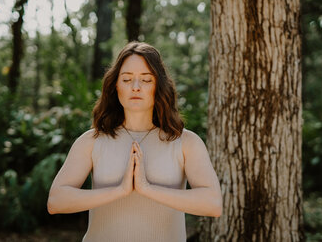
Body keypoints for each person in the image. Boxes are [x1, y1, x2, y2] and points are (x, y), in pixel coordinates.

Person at [47, 41, 222, 242]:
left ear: (159, 85)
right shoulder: (91, 140)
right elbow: (56, 201)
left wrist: (146, 188)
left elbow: (212, 204)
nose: (136, 87)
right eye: (127, 79)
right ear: (115, 85)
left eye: (146, 80)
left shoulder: (185, 142)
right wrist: (119, 190)